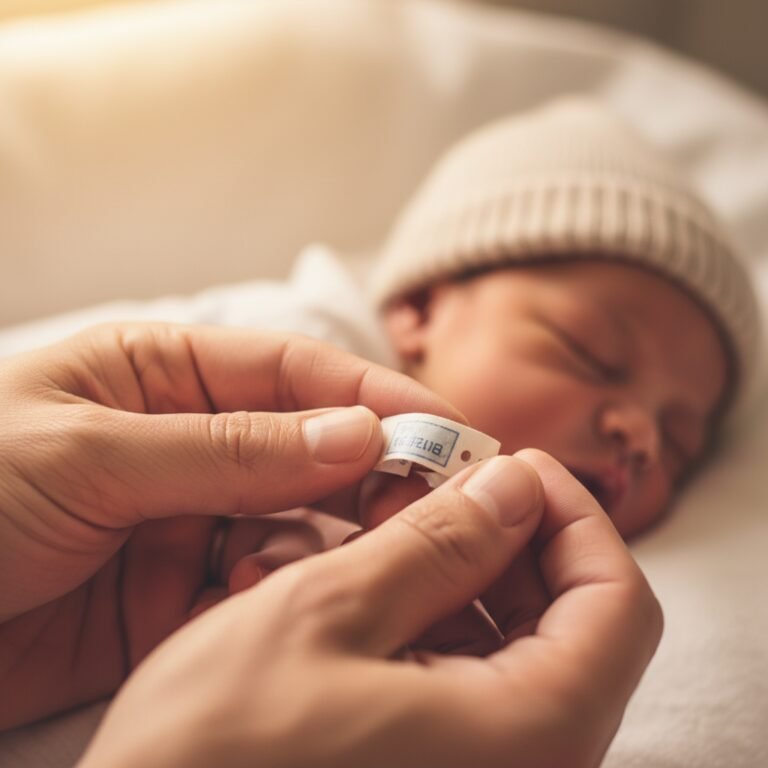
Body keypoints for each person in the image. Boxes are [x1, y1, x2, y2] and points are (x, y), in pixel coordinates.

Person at [0, 324, 662, 768]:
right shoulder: (290, 330)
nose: (642, 437)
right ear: (418, 313)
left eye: (681, 441)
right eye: (587, 354)